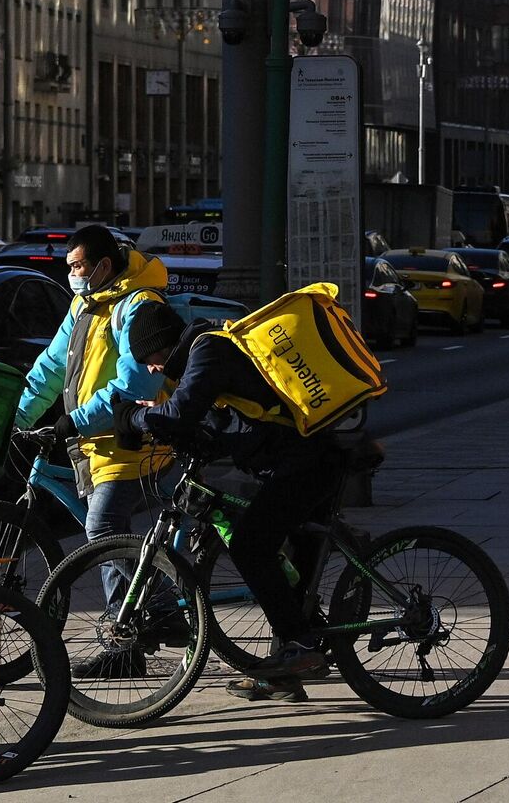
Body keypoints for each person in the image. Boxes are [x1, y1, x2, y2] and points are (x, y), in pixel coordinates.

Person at [114, 300, 346, 703]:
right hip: (304, 460)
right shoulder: (208, 352)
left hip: (305, 464)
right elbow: (229, 421)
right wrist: (176, 425)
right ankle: (288, 667)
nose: (151, 368)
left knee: (249, 545)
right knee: (287, 566)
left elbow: (182, 411)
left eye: (148, 358)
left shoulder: (208, 348)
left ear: (162, 344)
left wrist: (133, 418)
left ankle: (301, 648)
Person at [15, 225, 177, 679]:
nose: (72, 275)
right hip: (96, 445)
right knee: (107, 534)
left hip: (132, 441)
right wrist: (20, 417)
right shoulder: (85, 304)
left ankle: (162, 610)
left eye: (77, 266)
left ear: (104, 266)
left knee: (102, 529)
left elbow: (134, 386)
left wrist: (74, 420)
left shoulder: (138, 305)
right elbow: (51, 365)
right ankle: (128, 646)